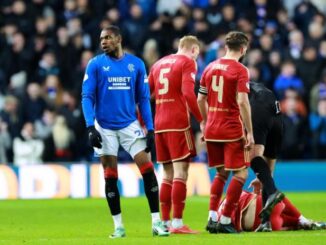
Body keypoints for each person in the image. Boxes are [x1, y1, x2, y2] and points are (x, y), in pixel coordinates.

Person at [81, 25, 169, 239]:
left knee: (148, 169)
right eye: (101, 38)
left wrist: (150, 128)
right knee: (110, 176)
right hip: (104, 126)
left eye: (108, 38)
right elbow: (87, 96)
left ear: (119, 39)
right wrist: (90, 126)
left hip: (130, 125)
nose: (103, 42)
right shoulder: (95, 65)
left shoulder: (136, 65)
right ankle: (118, 227)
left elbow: (143, 99)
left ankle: (157, 223)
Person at [206, 81, 286, 233]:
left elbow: (241, 104)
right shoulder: (251, 84)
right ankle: (265, 222)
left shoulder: (229, 87)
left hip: (259, 109)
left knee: (252, 156)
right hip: (277, 112)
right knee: (267, 169)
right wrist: (261, 176)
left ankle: (273, 192)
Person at [197, 31, 254, 233]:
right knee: (241, 172)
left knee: (220, 173)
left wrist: (204, 122)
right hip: (231, 128)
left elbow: (200, 99)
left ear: (226, 47)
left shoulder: (209, 67)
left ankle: (212, 218)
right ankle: (226, 219)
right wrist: (250, 131)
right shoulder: (240, 70)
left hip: (212, 127)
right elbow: (242, 101)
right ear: (243, 48)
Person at [148, 35, 203, 234]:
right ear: (194, 49)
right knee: (181, 173)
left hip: (159, 124)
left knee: (167, 174)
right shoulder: (188, 62)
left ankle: (163, 223)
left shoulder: (158, 64)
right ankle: (178, 223)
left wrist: (141, 119)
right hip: (178, 123)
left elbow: (146, 95)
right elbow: (188, 93)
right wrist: (202, 119)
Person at [215, 190, 326, 232]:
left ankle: (297, 225)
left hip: (268, 225)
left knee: (287, 223)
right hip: (265, 209)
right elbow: (252, 195)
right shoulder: (230, 196)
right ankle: (303, 220)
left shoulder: (219, 221)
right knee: (273, 192)